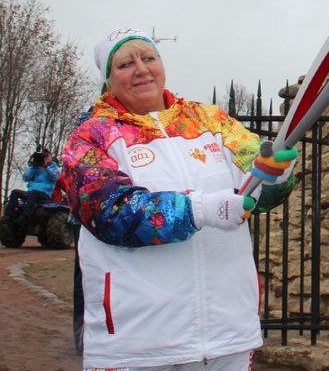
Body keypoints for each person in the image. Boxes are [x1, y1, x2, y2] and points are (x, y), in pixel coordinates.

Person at [60, 28, 297, 370]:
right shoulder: (91, 136)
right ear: (109, 79)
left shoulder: (209, 120)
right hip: (137, 345)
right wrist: (202, 209)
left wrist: (276, 173)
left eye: (149, 58)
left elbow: (255, 177)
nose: (141, 69)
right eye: (126, 64)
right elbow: (111, 213)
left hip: (227, 336)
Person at [4, 148, 60, 219]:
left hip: (44, 194)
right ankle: (9, 215)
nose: (44, 158)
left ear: (50, 158)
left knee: (33, 193)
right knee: (15, 192)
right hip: (31, 193)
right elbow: (26, 178)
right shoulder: (36, 167)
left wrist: (46, 167)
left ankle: (25, 216)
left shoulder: (54, 168)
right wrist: (33, 166)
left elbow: (54, 178)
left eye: (46, 157)